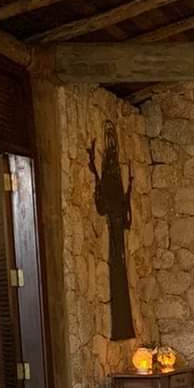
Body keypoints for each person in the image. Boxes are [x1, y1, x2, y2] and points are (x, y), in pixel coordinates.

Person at [88, 122, 135, 341]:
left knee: (119, 270)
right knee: (117, 270)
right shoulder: (110, 178)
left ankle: (123, 326)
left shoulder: (113, 178)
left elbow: (121, 212)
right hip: (114, 230)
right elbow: (105, 207)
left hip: (117, 229)